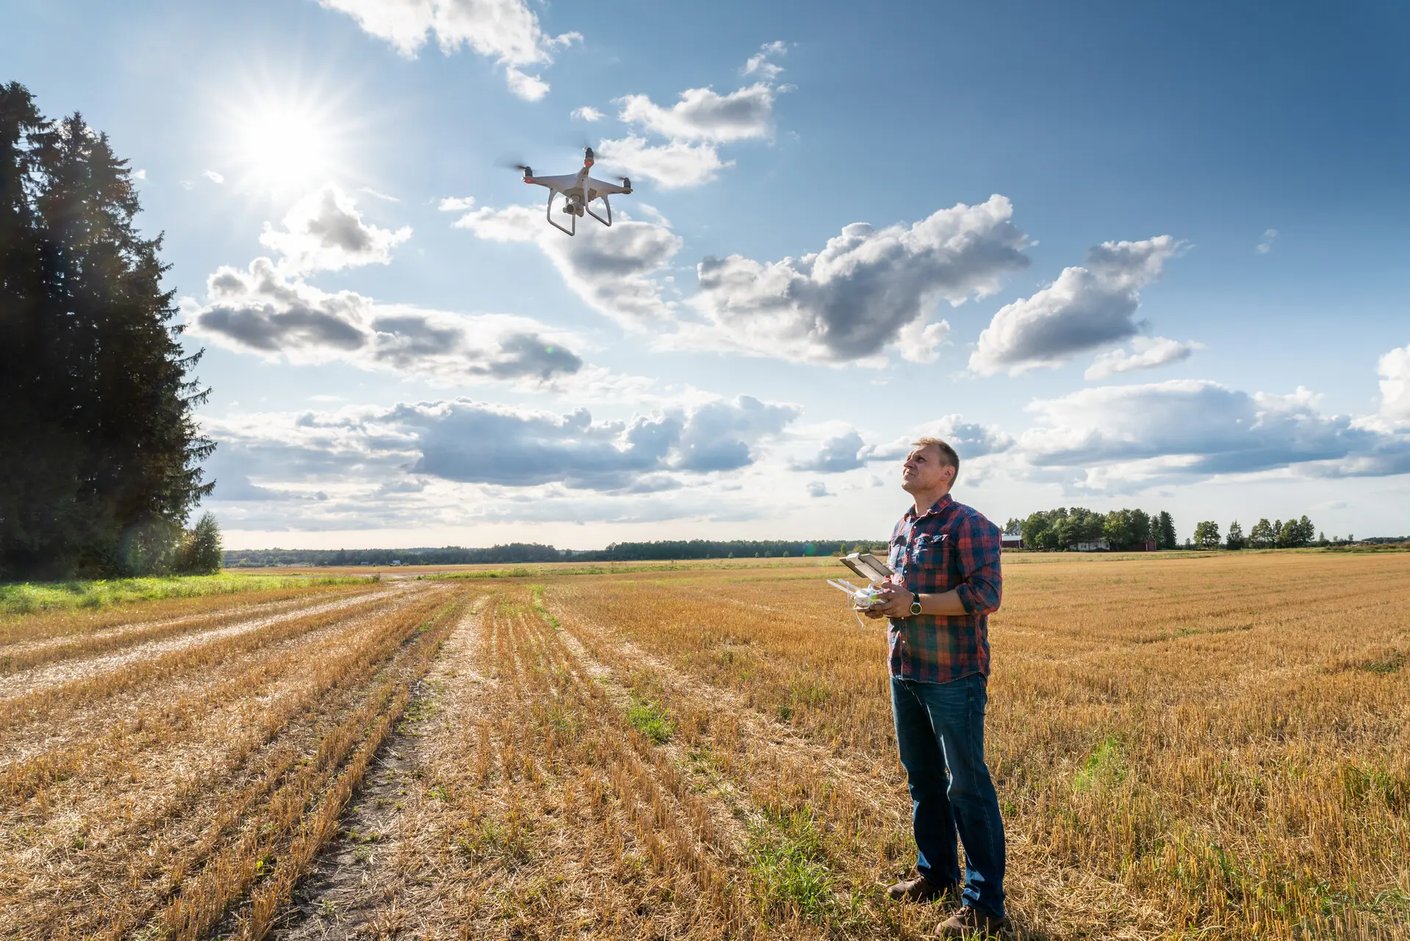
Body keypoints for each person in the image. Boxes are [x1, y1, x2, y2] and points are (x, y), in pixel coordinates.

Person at [864, 437, 1008, 937]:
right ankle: (936, 874)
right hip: (905, 668)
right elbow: (901, 595)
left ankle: (986, 905)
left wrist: (915, 604)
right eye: (907, 456)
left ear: (947, 473)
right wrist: (880, 602)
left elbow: (985, 595)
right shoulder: (903, 525)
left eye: (920, 458)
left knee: (966, 787)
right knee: (922, 778)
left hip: (953, 674)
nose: (908, 462)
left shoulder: (968, 523)